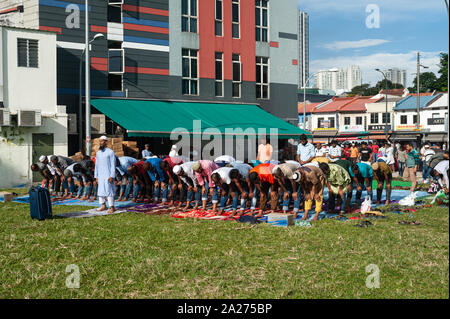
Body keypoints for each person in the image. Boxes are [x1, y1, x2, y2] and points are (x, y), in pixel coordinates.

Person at [94, 136, 116, 213]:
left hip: (108, 175)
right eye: (99, 141)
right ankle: (103, 205)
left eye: (102, 141)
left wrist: (112, 175)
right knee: (100, 191)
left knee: (109, 190)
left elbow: (113, 165)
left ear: (106, 142)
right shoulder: (98, 153)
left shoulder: (110, 152)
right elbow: (96, 165)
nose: (100, 143)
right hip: (100, 175)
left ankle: (112, 207)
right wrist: (96, 176)